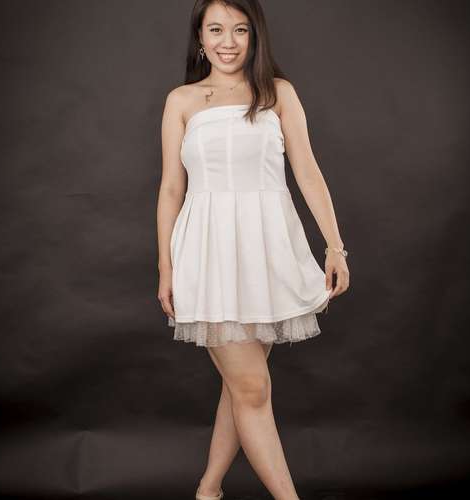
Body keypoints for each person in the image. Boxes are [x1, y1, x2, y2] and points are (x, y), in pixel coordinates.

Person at [157, 1, 349, 498]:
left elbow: (307, 171)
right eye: (216, 29)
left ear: (254, 36)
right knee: (251, 387)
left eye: (240, 30)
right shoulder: (182, 101)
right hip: (207, 252)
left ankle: (208, 490)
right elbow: (172, 188)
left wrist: (335, 247)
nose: (228, 41)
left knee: (243, 385)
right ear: (201, 39)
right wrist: (165, 267)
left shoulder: (277, 93)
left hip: (267, 253)